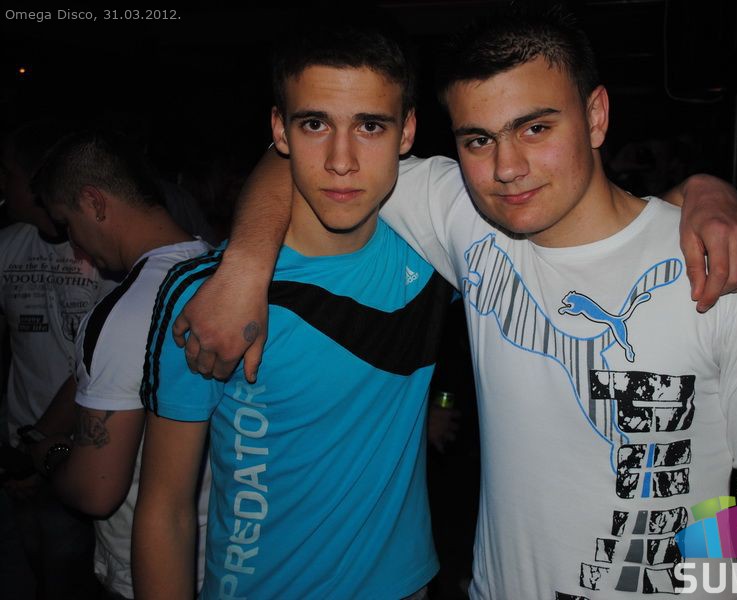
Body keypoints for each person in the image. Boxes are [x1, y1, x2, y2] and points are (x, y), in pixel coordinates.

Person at [172, 6, 737, 599]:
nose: (507, 167)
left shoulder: (727, 269)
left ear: (596, 115)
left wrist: (706, 187)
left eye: (535, 128)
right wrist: (244, 268)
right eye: (478, 139)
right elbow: (305, 154)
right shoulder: (463, 214)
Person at [132, 22, 452, 600]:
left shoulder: (435, 254)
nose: (341, 161)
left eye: (370, 126)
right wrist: (248, 261)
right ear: (280, 130)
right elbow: (166, 509)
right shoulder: (208, 297)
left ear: (406, 131)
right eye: (314, 124)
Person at [24, 130, 212, 599]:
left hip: (146, 574)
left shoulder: (124, 313)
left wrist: (49, 452)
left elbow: (98, 488)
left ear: (94, 202)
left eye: (68, 223)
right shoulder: (222, 272)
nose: (75, 245)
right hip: (228, 561)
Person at [0, 120, 115, 600]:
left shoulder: (102, 252)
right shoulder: (7, 246)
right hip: (16, 445)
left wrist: (37, 449)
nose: (1, 184)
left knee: (68, 580)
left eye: (7, 173)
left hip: (75, 452)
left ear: (34, 181)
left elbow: (94, 366)